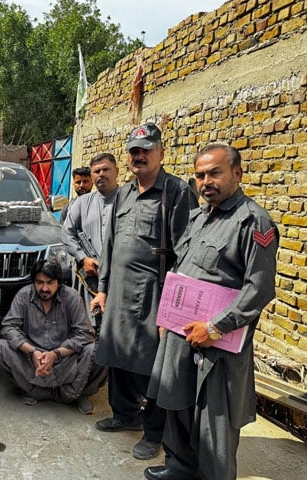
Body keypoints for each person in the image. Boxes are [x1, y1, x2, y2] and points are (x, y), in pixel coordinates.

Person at [144, 145, 278, 480]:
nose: (206, 181)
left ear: (237, 173)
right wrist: (167, 319)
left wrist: (215, 328)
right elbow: (183, 269)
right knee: (178, 405)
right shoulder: (200, 216)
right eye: (201, 175)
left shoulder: (253, 222)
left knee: (214, 423)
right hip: (182, 333)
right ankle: (179, 468)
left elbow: (258, 290)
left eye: (214, 173)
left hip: (220, 344)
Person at [91, 122, 198, 460]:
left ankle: (153, 433)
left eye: (146, 150)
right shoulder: (123, 193)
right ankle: (124, 416)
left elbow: (187, 253)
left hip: (155, 294)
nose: (139, 156)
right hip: (119, 293)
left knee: (153, 367)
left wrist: (175, 309)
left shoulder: (177, 192)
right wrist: (103, 289)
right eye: (134, 151)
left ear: (161, 152)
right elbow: (109, 246)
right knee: (117, 358)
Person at [0, 260, 107, 414]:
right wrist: (31, 352)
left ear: (59, 282)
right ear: (33, 282)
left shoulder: (71, 297)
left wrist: (56, 354)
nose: (44, 288)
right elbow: (8, 327)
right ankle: (33, 390)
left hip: (65, 358)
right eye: (39, 282)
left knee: (100, 351)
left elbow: (85, 334)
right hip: (34, 359)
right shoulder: (24, 295)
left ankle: (78, 393)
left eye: (50, 282)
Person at [61, 153, 119, 323]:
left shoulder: (129, 199)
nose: (101, 174)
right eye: (96, 171)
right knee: (87, 325)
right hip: (89, 278)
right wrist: (82, 258)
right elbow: (66, 233)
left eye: (105, 169)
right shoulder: (81, 203)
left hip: (120, 278)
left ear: (116, 171)